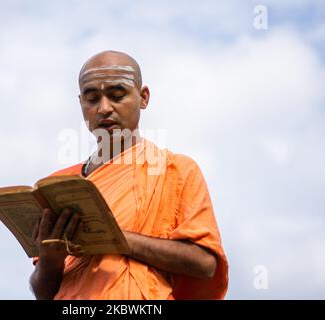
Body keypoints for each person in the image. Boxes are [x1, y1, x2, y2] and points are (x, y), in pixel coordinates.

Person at [29, 50, 228, 300]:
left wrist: (115, 237)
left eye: (117, 95)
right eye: (92, 99)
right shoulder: (58, 184)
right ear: (81, 103)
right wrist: (50, 259)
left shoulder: (175, 170)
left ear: (143, 97)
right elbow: (43, 292)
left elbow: (204, 263)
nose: (103, 108)